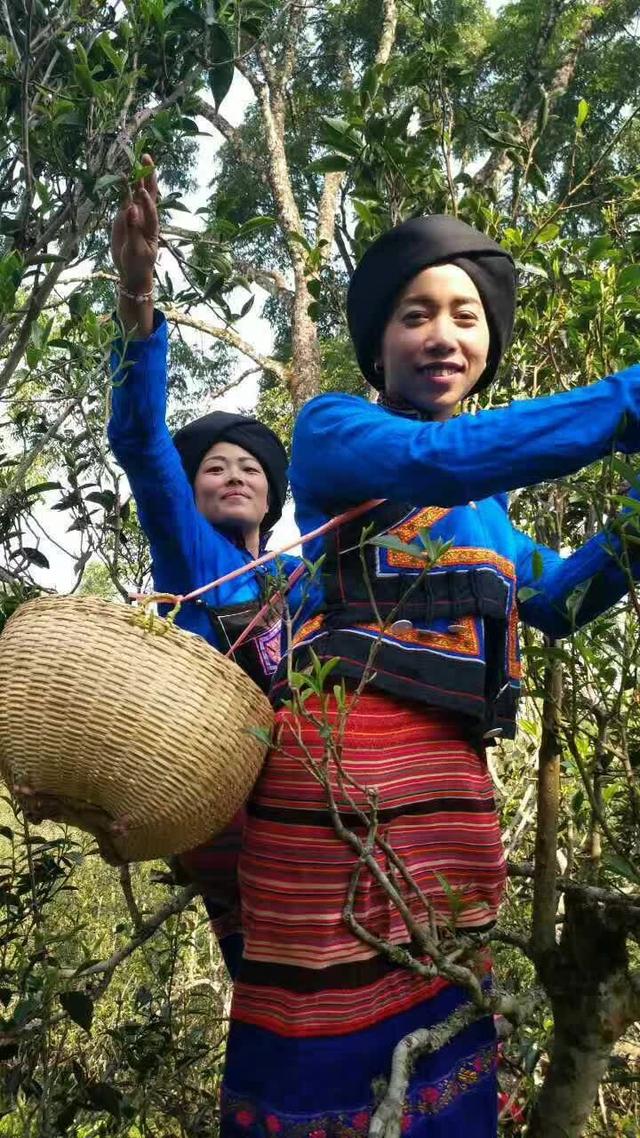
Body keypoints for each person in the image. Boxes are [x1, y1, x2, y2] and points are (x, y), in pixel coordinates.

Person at [219, 215, 640, 1135]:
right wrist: (626, 405)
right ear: (378, 343)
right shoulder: (336, 429)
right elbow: (437, 459)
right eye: (416, 315)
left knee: (444, 1021)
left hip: (452, 801)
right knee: (313, 1027)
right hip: (330, 796)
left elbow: (559, 600)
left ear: (488, 343)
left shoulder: (487, 510)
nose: (443, 335)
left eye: (465, 316)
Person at [108, 157, 298, 978]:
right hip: (213, 789)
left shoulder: (300, 584)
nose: (232, 474)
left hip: (298, 797)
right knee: (263, 968)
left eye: (249, 467)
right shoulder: (194, 553)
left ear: (272, 495)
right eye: (214, 466)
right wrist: (138, 292)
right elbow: (144, 445)